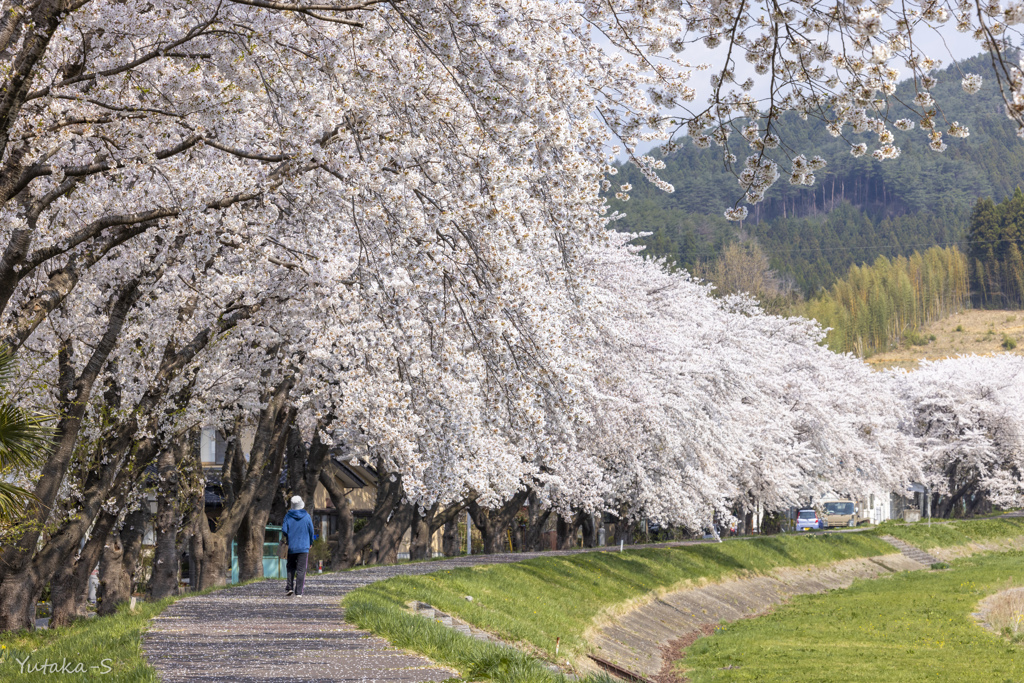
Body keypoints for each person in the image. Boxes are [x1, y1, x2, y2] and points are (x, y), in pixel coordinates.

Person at [281, 496, 315, 597]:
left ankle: (289, 587)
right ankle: (299, 592)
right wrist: (310, 542)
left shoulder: (288, 516)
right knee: (301, 570)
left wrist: (288, 537)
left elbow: (284, 530)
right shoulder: (307, 516)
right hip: (304, 546)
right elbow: (311, 531)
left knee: (290, 567)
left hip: (291, 546)